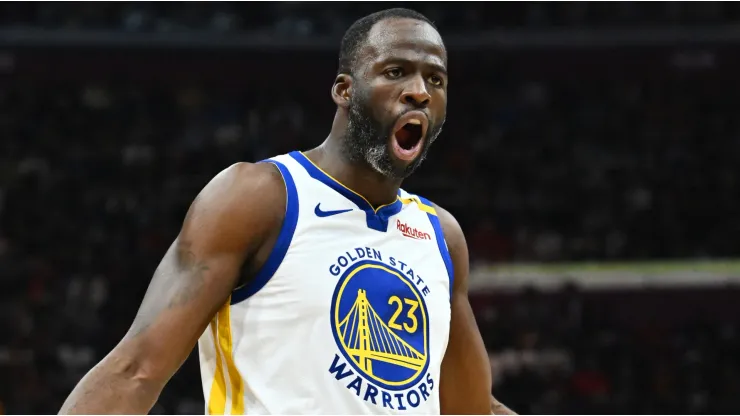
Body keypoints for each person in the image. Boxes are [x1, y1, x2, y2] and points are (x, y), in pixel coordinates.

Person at [59, 8, 514, 415]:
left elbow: (472, 409)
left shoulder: (440, 236)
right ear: (344, 90)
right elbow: (136, 370)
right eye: (396, 71)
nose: (418, 92)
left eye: (435, 80)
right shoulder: (259, 198)